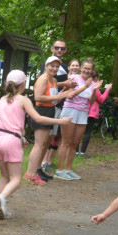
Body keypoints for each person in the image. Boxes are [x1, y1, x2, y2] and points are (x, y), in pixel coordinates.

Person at [0, 70, 70, 219]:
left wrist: (22, 137)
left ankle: (0, 209)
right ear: (23, 84)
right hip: (11, 140)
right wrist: (59, 121)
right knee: (15, 179)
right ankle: (2, 198)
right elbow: (38, 118)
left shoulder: (2, 99)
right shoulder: (23, 100)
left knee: (4, 175)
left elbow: (7, 121)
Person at [24, 55, 75, 185]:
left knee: (45, 144)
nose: (54, 68)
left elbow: (51, 97)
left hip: (50, 110)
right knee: (39, 145)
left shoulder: (52, 80)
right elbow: (38, 97)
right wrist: (59, 96)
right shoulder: (43, 78)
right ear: (46, 66)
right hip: (41, 111)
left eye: (57, 66)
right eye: (52, 66)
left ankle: (37, 170)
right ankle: (30, 174)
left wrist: (61, 96)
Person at [55, 58, 103, 180]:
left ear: (92, 71)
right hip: (70, 110)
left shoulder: (92, 83)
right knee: (66, 142)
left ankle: (68, 169)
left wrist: (94, 89)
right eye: (85, 68)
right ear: (81, 68)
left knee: (75, 143)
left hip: (83, 112)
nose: (87, 71)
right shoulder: (74, 78)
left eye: (89, 69)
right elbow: (70, 95)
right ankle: (60, 170)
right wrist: (84, 86)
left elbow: (92, 101)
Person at [41, 39, 70, 176]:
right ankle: (41, 164)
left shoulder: (63, 66)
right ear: (52, 48)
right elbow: (46, 84)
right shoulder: (46, 64)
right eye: (57, 48)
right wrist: (66, 83)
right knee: (48, 135)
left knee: (57, 135)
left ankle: (48, 162)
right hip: (49, 105)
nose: (59, 50)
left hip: (61, 103)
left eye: (62, 48)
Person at [77, 69, 111, 157]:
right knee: (87, 132)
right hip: (91, 112)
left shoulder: (83, 84)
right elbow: (101, 99)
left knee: (78, 131)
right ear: (95, 78)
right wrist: (107, 90)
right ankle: (83, 152)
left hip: (82, 110)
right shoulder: (94, 87)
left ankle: (76, 151)